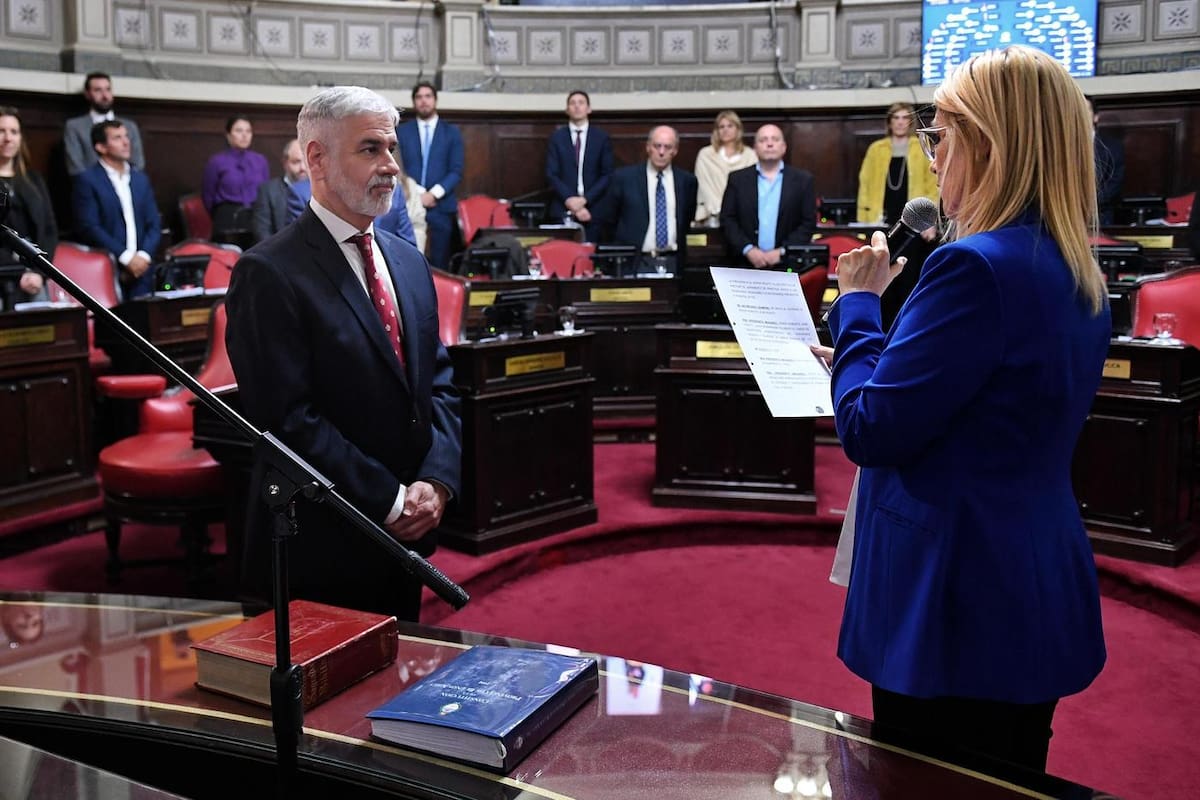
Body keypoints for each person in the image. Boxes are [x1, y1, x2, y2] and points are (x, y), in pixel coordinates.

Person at [816, 45, 1109, 773]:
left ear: (989, 143)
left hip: (954, 596)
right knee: (1009, 775)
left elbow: (870, 428)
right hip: (1028, 574)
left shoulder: (972, 266)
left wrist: (857, 306)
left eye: (939, 136)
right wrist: (876, 358)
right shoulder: (1068, 262)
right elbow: (978, 397)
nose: (933, 157)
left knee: (928, 780)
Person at [225, 85, 461, 622]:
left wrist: (436, 482)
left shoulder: (407, 260)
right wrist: (390, 500)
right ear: (317, 158)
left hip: (405, 543)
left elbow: (439, 383)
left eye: (392, 149)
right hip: (322, 547)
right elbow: (289, 420)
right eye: (370, 149)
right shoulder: (268, 272)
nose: (391, 166)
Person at [72, 120, 162, 299]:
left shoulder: (140, 179)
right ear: (101, 147)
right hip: (107, 267)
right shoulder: (87, 180)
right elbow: (89, 227)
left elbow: (154, 223)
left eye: (126, 136)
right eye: (117, 138)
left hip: (143, 269)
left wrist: (142, 257)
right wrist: (126, 258)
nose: (126, 142)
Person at [719, 124, 816, 268]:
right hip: (744, 263)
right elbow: (728, 220)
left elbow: (808, 223)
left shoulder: (803, 180)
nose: (769, 144)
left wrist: (782, 251)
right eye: (763, 140)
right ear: (755, 148)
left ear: (784, 147)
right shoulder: (737, 179)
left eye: (775, 139)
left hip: (787, 264)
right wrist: (748, 249)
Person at [606, 125, 698, 273]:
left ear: (675, 151)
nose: (661, 152)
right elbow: (609, 221)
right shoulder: (624, 178)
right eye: (657, 146)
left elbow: (687, 218)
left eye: (668, 147)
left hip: (674, 261)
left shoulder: (687, 181)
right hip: (635, 262)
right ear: (648, 147)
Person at [396, 82, 463, 270]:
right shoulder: (402, 132)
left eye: (428, 96)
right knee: (409, 262)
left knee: (440, 264)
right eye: (419, 97)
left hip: (441, 206)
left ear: (435, 100)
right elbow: (399, 167)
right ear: (414, 102)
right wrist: (418, 194)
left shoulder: (451, 133)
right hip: (410, 203)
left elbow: (456, 170)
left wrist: (433, 195)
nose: (423, 101)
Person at [0, 106, 57, 308]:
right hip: (3, 275)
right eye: (1, 131)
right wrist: (18, 273)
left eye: (14, 132)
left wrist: (40, 273)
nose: (8, 138)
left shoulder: (34, 180)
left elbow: (49, 230)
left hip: (36, 274)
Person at [856, 102, 940, 226]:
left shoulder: (921, 146)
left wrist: (929, 220)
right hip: (879, 217)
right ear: (890, 122)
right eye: (896, 117)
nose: (900, 122)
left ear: (911, 122)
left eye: (905, 117)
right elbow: (865, 184)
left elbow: (933, 185)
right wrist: (863, 218)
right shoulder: (876, 149)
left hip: (914, 218)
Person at [546, 90, 614, 241]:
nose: (577, 107)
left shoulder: (601, 138)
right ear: (567, 110)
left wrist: (585, 201)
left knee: (591, 260)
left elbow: (607, 174)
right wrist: (571, 201)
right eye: (572, 103)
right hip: (563, 209)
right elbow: (552, 174)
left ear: (589, 109)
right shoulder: (557, 138)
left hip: (593, 209)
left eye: (581, 103)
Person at [202, 115, 270, 244]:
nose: (244, 135)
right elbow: (208, 197)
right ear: (228, 135)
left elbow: (265, 192)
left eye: (248, 131)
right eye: (239, 131)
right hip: (227, 217)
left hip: (254, 217)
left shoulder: (260, 161)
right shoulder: (216, 162)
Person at [63, 72, 145, 176]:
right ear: (87, 94)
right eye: (98, 90)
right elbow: (75, 167)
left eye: (108, 89)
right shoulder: (74, 126)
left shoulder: (129, 126)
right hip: (90, 188)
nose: (105, 95)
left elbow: (138, 163)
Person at [692, 110, 756, 226]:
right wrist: (718, 209)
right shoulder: (706, 155)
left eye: (730, 126)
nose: (725, 130)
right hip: (712, 216)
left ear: (738, 129)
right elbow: (703, 186)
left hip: (742, 216)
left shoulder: (750, 155)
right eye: (721, 127)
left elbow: (751, 188)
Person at [250, 138, 311, 244]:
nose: (302, 168)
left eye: (305, 162)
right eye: (296, 162)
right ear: (285, 163)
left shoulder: (319, 189)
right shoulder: (268, 191)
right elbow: (262, 231)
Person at [376, 161, 427, 254]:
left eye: (390, 151)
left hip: (389, 259)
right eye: (371, 150)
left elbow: (409, 244)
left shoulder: (397, 190)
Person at [1089, 97, 1125, 226]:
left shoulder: (1112, 146)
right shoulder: (1060, 146)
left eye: (1085, 110)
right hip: (1066, 213)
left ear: (1095, 117)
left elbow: (1115, 182)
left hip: (1100, 213)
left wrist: (1089, 203)